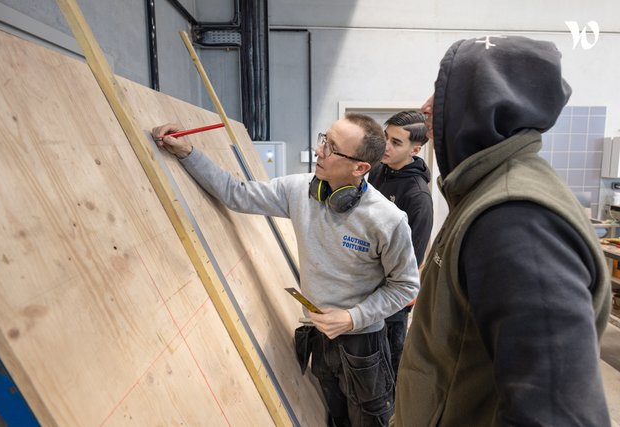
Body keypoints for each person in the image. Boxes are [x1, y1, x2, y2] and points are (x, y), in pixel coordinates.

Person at [391, 35, 612, 426]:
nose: (427, 109)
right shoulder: (484, 194)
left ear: (481, 106)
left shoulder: (515, 220)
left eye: (442, 96)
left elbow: (557, 417)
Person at [152, 112, 420, 427]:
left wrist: (352, 318)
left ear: (360, 168)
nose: (319, 151)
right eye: (325, 140)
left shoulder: (387, 219)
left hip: (364, 347)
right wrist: (188, 153)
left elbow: (405, 287)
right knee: (335, 419)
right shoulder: (299, 190)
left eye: (332, 148)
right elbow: (237, 194)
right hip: (320, 338)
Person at [368, 111, 433, 377]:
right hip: (366, 290)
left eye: (396, 142)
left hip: (392, 303)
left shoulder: (417, 196)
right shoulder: (377, 172)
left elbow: (409, 264)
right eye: (386, 137)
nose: (386, 146)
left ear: (415, 149)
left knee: (387, 376)